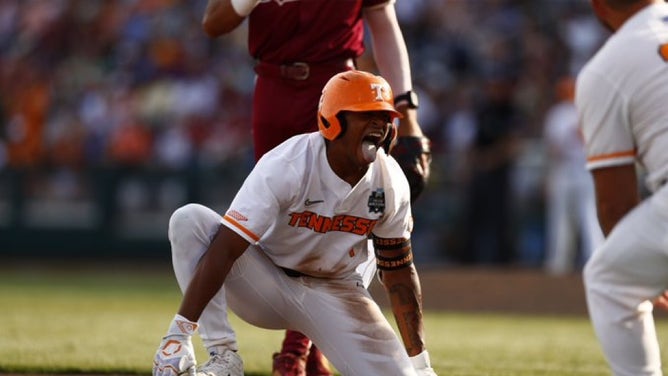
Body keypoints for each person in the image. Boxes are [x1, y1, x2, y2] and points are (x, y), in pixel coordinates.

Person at [151, 71, 437, 376]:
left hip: (339, 293)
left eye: (384, 117)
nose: (379, 125)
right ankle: (223, 356)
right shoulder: (288, 163)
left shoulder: (390, 179)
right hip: (268, 284)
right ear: (333, 121)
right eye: (367, 115)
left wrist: (421, 363)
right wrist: (179, 332)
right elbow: (226, 247)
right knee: (189, 220)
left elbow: (398, 272)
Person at [201, 1, 431, 374]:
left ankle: (298, 345)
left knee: (336, 212)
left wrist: (408, 114)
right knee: (283, 215)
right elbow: (213, 23)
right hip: (273, 83)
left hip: (339, 89)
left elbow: (383, 23)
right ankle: (303, 343)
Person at [577, 0, 668, 374]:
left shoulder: (606, 68)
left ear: (598, 7)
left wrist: (648, 267)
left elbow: (615, 206)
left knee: (610, 279)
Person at [542, 76, 602, 275]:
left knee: (589, 215)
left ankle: (594, 261)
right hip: (564, 169)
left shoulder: (589, 109)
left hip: (586, 169)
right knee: (560, 218)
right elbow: (552, 147)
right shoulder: (557, 114)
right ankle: (559, 263)